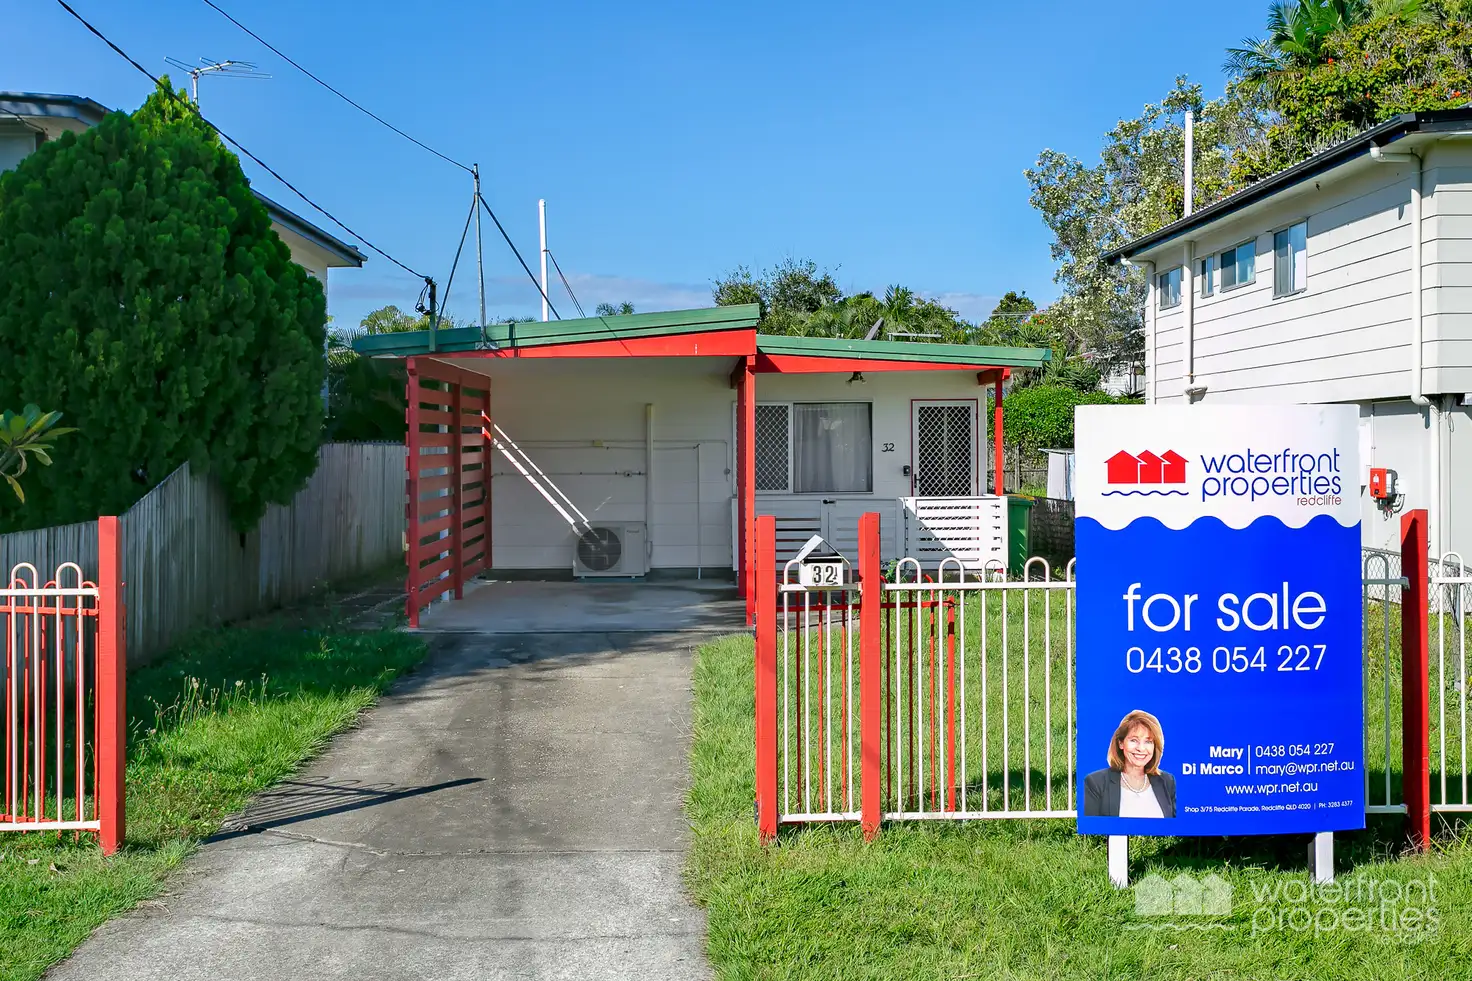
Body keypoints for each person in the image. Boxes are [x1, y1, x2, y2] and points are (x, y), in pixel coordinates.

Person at [1083, 709, 1176, 818]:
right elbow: (1092, 830)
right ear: (1121, 743)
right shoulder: (1095, 782)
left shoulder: (1167, 781)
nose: (1141, 748)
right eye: (1134, 740)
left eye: (1148, 741)